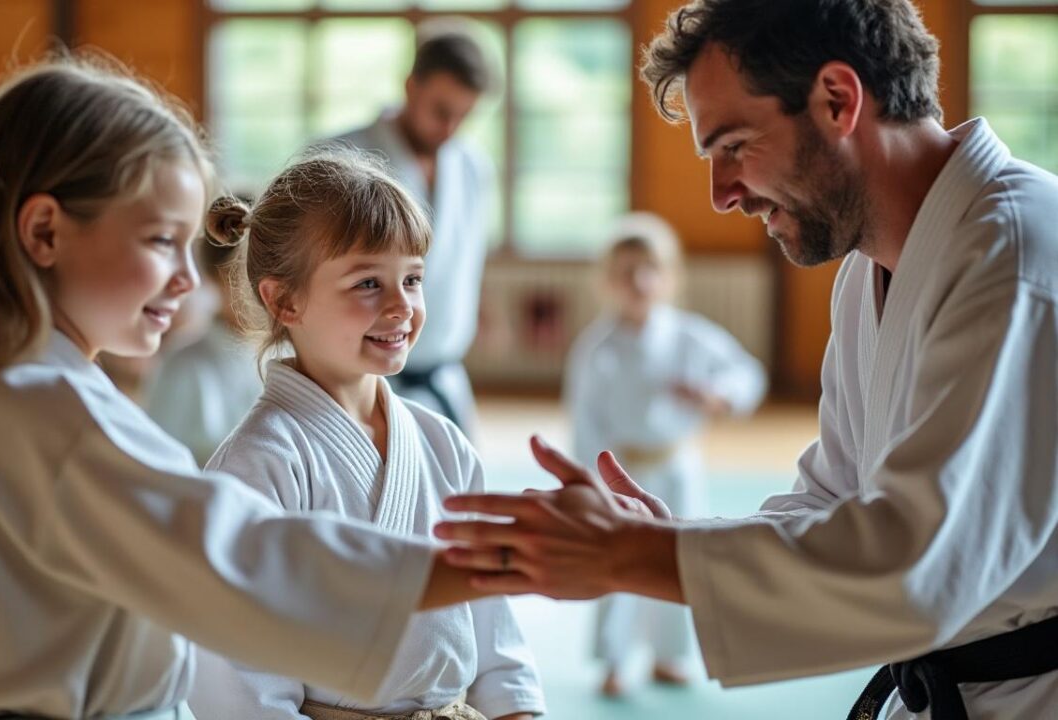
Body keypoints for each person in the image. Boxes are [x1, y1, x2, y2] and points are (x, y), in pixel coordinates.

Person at [434, 1, 1058, 718]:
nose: (721, 193)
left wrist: (629, 555)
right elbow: (834, 500)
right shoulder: (870, 269)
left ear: (836, 99)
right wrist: (662, 540)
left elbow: (918, 568)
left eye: (733, 145)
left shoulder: (1012, 252)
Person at [0, 58, 487, 720]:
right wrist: (504, 562)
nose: (185, 279)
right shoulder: (40, 411)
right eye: (160, 241)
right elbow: (235, 561)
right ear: (45, 232)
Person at [186, 149, 543, 720]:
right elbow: (237, 681)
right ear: (284, 299)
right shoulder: (260, 463)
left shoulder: (443, 443)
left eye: (414, 279)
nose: (402, 306)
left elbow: (494, 634)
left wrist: (515, 710)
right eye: (368, 282)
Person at [566, 212, 765, 693]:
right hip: (620, 470)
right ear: (607, 281)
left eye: (649, 269)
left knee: (679, 559)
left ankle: (668, 655)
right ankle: (614, 659)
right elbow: (584, 419)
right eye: (626, 271)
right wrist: (590, 481)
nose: (638, 281)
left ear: (669, 276)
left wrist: (719, 395)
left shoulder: (689, 335)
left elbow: (747, 374)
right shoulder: (597, 349)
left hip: (677, 465)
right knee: (619, 560)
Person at [330, 25, 495, 436]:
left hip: (444, 374)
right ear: (410, 87)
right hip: (358, 379)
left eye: (464, 115)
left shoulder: (473, 166)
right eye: (441, 110)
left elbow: (465, 260)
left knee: (454, 496)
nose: (451, 127)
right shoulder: (340, 160)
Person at [143, 233, 262, 465]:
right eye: (246, 275)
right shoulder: (182, 364)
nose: (262, 289)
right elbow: (155, 460)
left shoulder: (291, 353)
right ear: (216, 277)